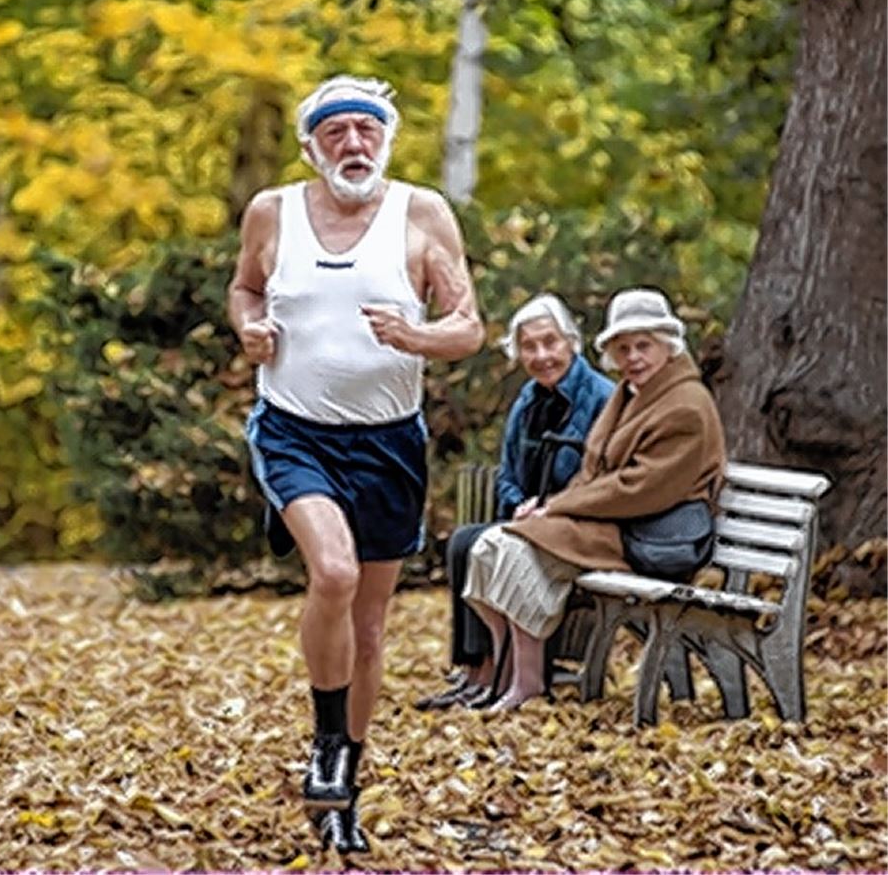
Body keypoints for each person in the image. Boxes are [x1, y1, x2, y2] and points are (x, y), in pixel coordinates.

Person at [228, 75, 484, 853]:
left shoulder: (423, 213)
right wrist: (250, 328)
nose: (353, 144)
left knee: (370, 629)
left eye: (366, 131)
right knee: (333, 574)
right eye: (335, 132)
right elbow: (244, 288)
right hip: (295, 431)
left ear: (386, 140)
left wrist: (418, 339)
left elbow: (468, 326)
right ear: (311, 146)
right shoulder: (273, 212)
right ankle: (324, 746)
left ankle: (345, 784)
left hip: (389, 443)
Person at [462, 287, 726, 712]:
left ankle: (527, 683)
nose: (633, 357)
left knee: (514, 549)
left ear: (668, 345)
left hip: (649, 535)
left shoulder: (686, 406)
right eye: (623, 348)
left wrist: (558, 507)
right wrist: (549, 506)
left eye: (644, 346)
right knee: (488, 548)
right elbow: (593, 467)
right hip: (613, 522)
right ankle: (510, 674)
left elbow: (640, 487)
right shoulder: (631, 393)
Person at [414, 294, 613, 711]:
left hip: (574, 523)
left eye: (550, 342)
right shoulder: (527, 401)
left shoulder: (601, 398)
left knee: (478, 543)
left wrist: (551, 505)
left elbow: (600, 477)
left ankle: (499, 673)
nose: (541, 355)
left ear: (571, 342)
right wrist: (520, 501)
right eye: (529, 346)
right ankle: (478, 670)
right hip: (531, 516)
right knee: (463, 541)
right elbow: (506, 473)